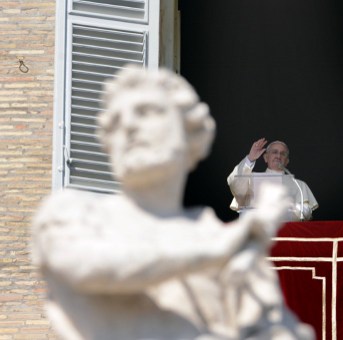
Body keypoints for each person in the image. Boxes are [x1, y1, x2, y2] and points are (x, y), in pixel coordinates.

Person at [31, 67, 313, 340]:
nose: (128, 126)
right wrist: (225, 246)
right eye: (115, 120)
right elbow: (89, 267)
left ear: (191, 135)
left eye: (147, 113)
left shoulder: (231, 243)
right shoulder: (75, 214)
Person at [227, 138, 318, 221]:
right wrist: (250, 158)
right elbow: (235, 184)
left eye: (283, 154)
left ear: (287, 161)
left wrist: (294, 209)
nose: (278, 156)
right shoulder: (250, 179)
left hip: (287, 233)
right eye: (274, 152)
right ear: (266, 157)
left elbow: (306, 214)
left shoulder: (299, 185)